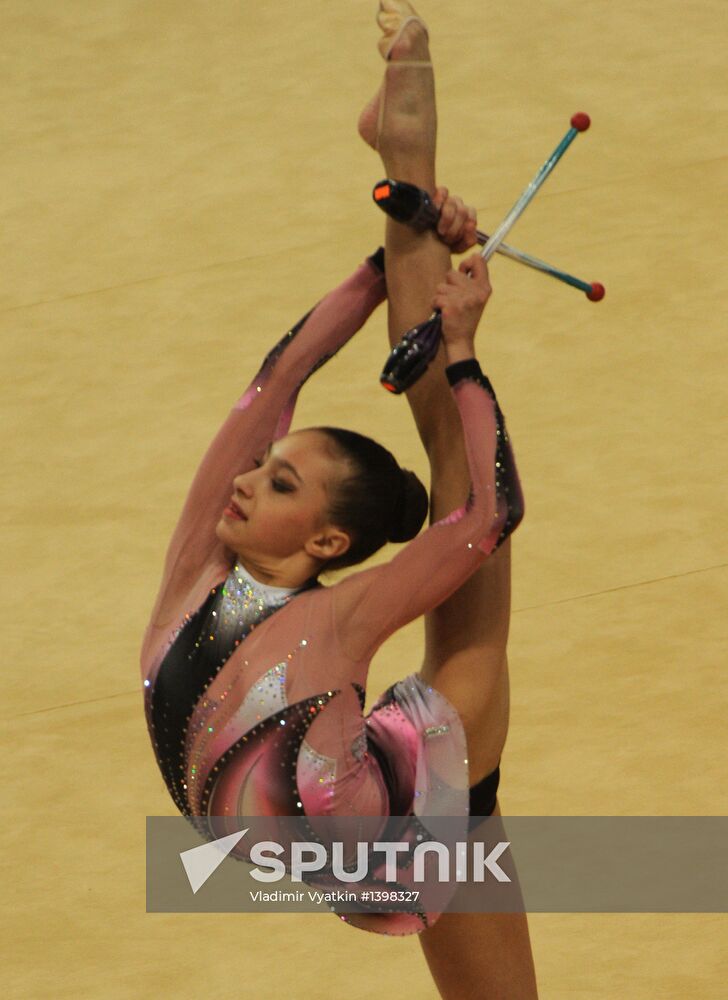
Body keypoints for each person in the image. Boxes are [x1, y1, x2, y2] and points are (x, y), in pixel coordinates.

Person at [140, 0, 535, 989]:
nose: (240, 478)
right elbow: (281, 376)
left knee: (465, 616)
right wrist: (399, 233)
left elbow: (486, 518)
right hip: (347, 838)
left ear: (322, 539)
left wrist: (463, 352)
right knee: (470, 637)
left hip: (369, 842)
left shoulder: (337, 620)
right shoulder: (203, 559)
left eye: (276, 481)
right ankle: (404, 151)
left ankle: (409, 145)